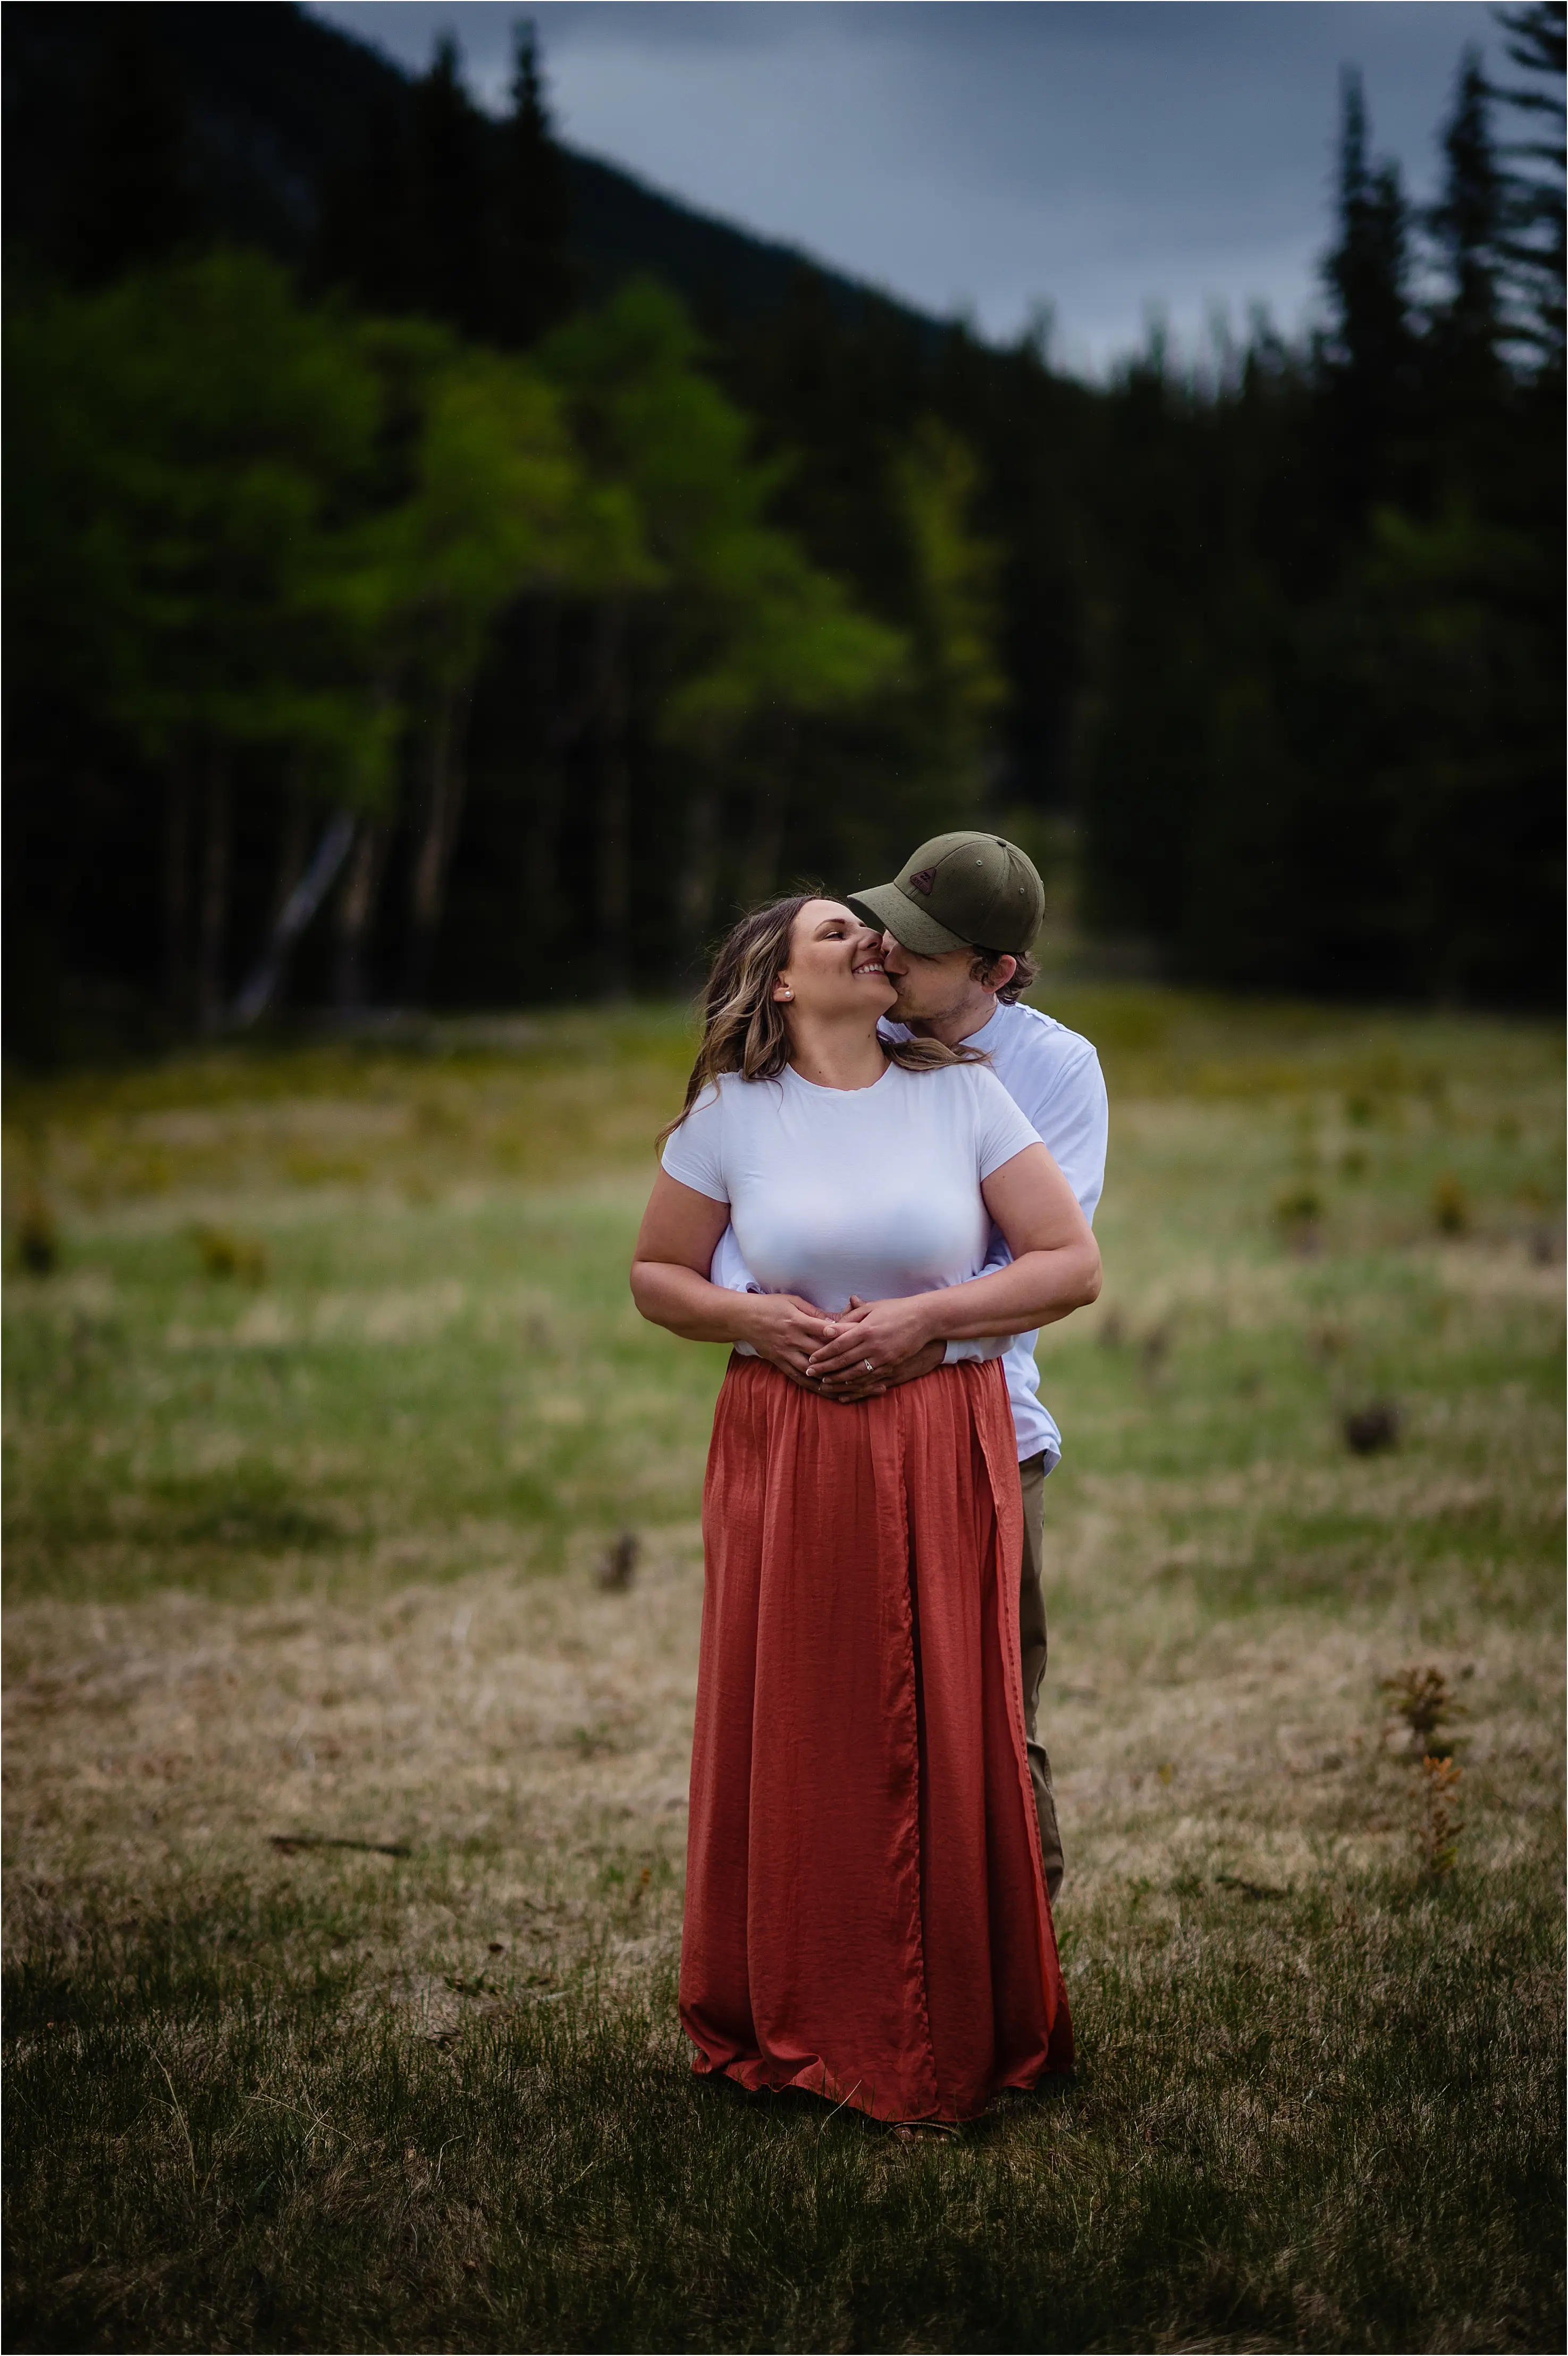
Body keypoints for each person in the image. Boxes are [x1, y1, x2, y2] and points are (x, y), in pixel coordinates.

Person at [631, 890, 1101, 2126]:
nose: (869, 944)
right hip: (786, 1443)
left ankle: (961, 2013)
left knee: (951, 1714)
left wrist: (925, 1320)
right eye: (835, 933)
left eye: (870, 930)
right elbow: (656, 1274)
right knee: (797, 1723)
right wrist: (754, 1319)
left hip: (944, 1434)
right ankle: (791, 2012)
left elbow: (1069, 1262)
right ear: (779, 983)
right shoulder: (731, 1116)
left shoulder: (962, 1092)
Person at [711, 831, 1108, 1901]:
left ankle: (1011, 1958)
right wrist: (802, 1329)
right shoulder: (856, 1028)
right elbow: (737, 1228)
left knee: (985, 1714)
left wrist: (909, 1330)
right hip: (824, 1417)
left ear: (996, 971)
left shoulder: (1047, 1070)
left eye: (922, 944)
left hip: (982, 1422)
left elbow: (1037, 1264)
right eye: (886, 917)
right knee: (834, 1714)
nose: (885, 946)